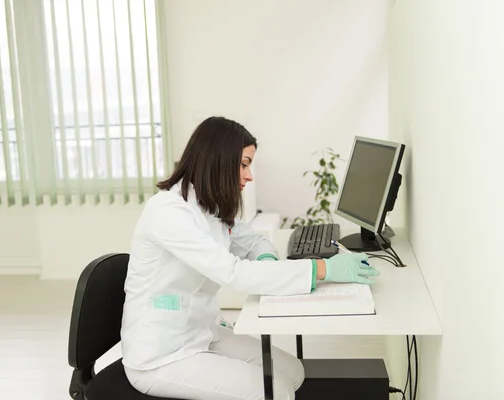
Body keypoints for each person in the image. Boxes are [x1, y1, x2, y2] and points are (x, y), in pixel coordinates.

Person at [120, 116, 379, 400]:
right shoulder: (169, 213)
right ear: (218, 159)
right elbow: (234, 273)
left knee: (293, 373)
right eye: (244, 164)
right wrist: (321, 268)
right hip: (161, 354)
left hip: (199, 333)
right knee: (276, 392)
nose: (249, 175)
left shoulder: (209, 206)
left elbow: (253, 240)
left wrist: (267, 258)